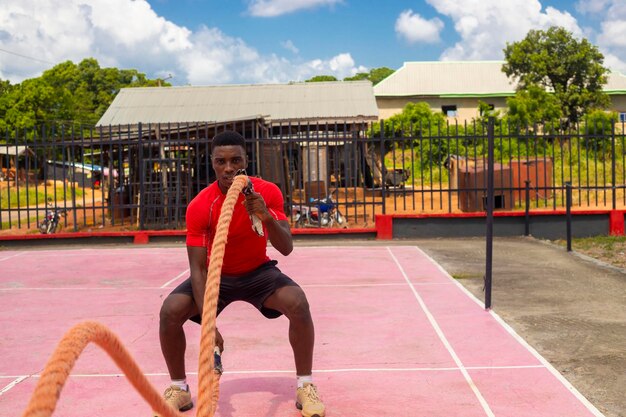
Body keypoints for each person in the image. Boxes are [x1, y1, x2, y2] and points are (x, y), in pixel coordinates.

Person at [155, 130, 325, 417]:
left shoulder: (267, 192)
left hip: (257, 272)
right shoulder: (201, 205)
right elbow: (197, 268)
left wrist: (265, 214)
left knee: (298, 302)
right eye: (221, 161)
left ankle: (305, 386)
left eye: (235, 160)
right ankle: (179, 389)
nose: (229, 168)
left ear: (247, 160)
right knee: (170, 311)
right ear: (212, 163)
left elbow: (286, 248)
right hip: (216, 277)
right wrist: (209, 325)